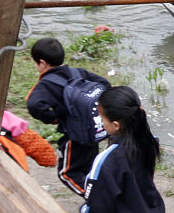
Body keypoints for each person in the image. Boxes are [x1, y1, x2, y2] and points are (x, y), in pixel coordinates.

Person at [26, 37, 111, 196]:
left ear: (42, 63)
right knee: (90, 168)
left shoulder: (46, 84)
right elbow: (105, 84)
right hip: (94, 131)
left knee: (67, 173)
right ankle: (103, 195)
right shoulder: (77, 72)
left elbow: (33, 105)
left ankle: (98, 201)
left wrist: (53, 118)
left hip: (75, 136)